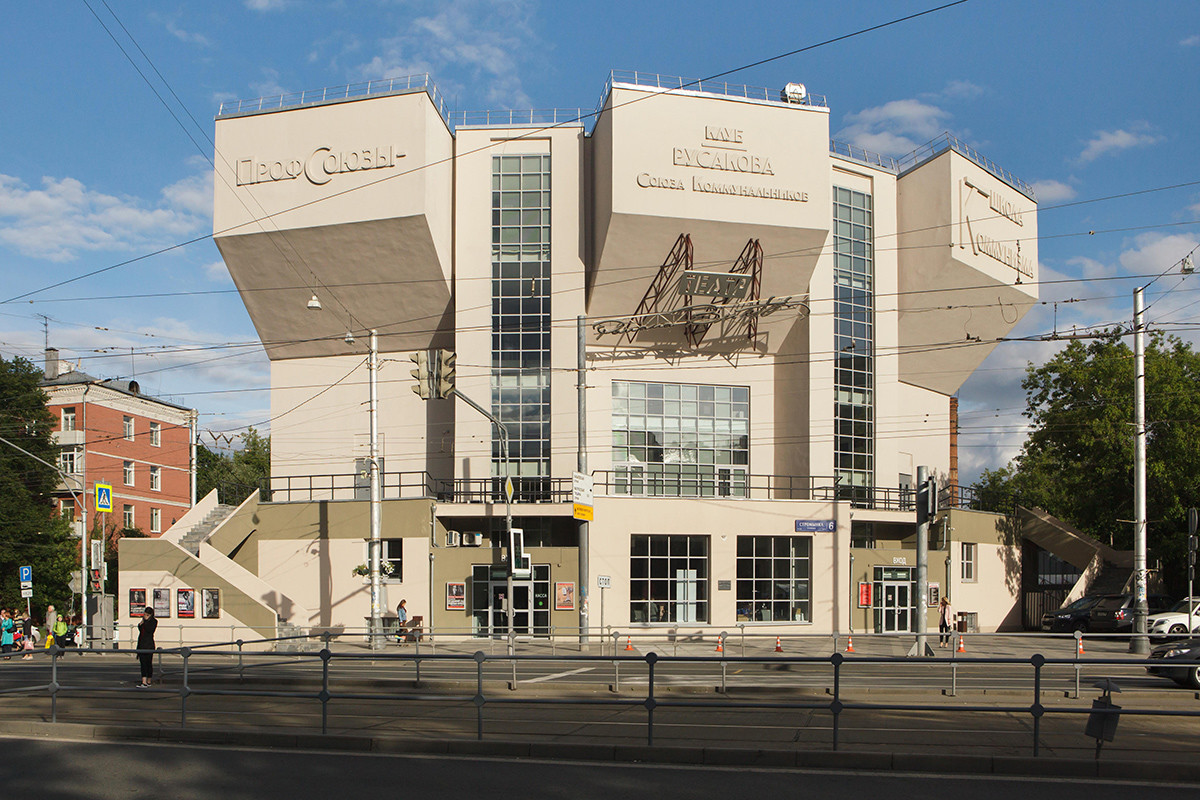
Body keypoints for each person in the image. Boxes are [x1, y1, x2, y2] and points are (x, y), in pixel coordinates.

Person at [136, 606, 157, 687]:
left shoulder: (153, 621)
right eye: (144, 614)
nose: (145, 616)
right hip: (141, 645)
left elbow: (149, 630)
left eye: (147, 615)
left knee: (148, 663)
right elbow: (140, 628)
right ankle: (143, 681)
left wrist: (146, 621)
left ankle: (149, 680)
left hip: (149, 645)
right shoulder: (143, 621)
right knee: (143, 663)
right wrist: (142, 622)